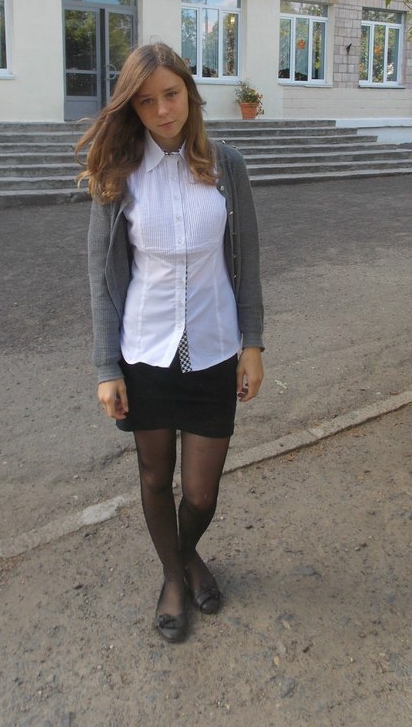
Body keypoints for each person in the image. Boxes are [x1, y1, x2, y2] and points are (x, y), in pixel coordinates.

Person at [75, 42, 264, 644]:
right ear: (131, 107)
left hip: (214, 345)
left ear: (190, 92)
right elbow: (102, 276)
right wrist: (107, 367)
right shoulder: (120, 174)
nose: (162, 110)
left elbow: (248, 259)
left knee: (202, 493)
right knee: (156, 478)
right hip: (145, 351)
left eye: (171, 94)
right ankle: (175, 576)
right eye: (146, 101)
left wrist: (254, 342)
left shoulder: (227, 165)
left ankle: (184, 553)